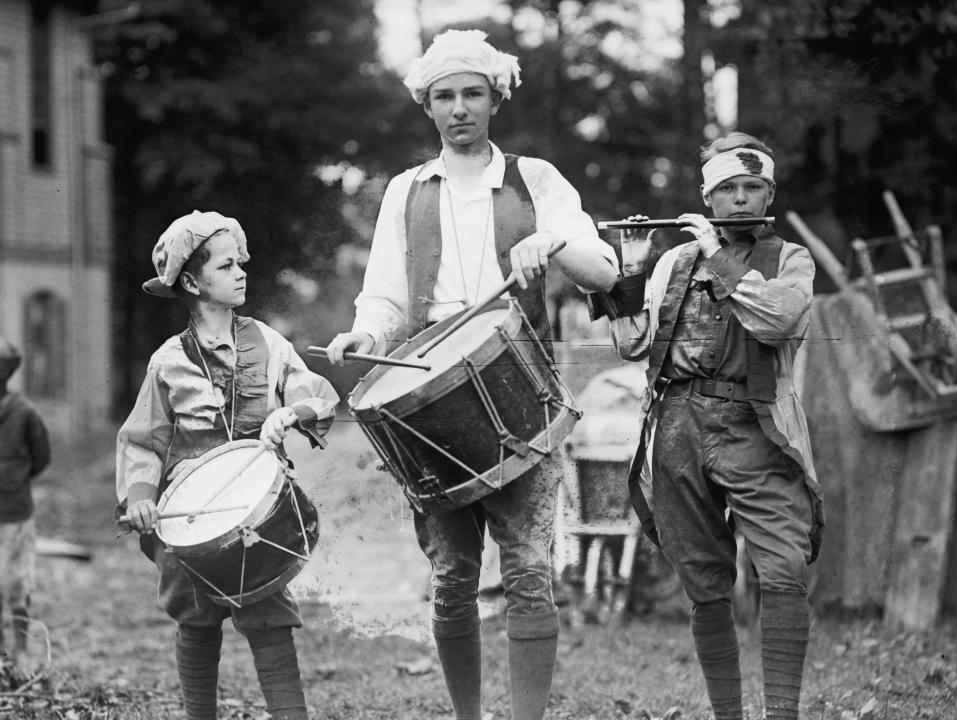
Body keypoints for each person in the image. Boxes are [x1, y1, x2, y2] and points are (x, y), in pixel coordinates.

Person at [325, 29, 618, 720]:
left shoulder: (535, 179)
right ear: (427, 105)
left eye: (473, 94)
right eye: (445, 96)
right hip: (429, 391)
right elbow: (385, 296)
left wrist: (554, 240)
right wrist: (365, 333)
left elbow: (604, 270)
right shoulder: (405, 190)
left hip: (522, 384)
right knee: (453, 575)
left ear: (495, 100)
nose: (460, 108)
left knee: (527, 570)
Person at [595, 132, 825, 720]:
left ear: (769, 192)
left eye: (753, 188)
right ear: (708, 195)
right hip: (677, 425)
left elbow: (778, 320)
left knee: (783, 566)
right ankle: (728, 714)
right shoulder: (675, 260)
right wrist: (630, 267)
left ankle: (782, 714)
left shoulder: (790, 258)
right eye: (728, 189)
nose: (742, 200)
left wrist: (719, 258)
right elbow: (631, 345)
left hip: (756, 427)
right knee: (702, 578)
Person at [116, 210, 339, 720]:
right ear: (192, 282)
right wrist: (142, 497)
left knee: (270, 619)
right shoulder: (168, 361)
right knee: (195, 619)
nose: (241, 272)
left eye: (241, 262)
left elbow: (315, 394)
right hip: (191, 517)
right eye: (226, 265)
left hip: (257, 511)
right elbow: (142, 441)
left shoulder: (268, 342)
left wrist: (292, 412)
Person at [0, 338, 50, 662]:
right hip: (16, 506)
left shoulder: (25, 413)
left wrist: (14, 480)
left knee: (18, 584)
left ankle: (18, 652)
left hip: (15, 514)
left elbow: (40, 457)